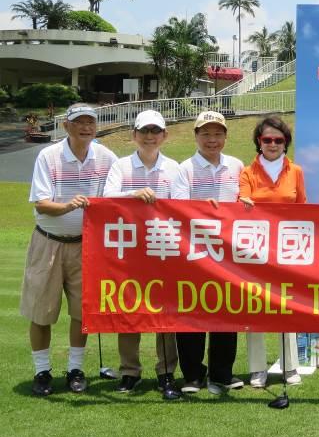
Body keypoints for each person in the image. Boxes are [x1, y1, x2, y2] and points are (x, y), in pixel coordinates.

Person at [21, 103, 117, 396]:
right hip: (48, 241)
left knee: (82, 313)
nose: (86, 127)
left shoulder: (106, 157)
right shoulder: (48, 156)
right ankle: (42, 371)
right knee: (41, 312)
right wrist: (67, 206)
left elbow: (118, 194)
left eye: (90, 122)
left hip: (86, 246)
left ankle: (76, 368)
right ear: (67, 126)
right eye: (79, 122)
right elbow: (41, 203)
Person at [103, 109, 181, 399]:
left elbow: (184, 207)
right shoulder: (120, 167)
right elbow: (107, 199)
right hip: (128, 252)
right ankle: (129, 371)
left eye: (155, 131)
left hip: (164, 249)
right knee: (129, 310)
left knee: (165, 313)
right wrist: (134, 194)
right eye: (144, 131)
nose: (150, 137)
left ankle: (166, 372)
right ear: (134, 135)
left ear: (164, 136)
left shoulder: (174, 168)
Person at [171, 111, 245, 395]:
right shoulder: (185, 168)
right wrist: (202, 205)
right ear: (196, 136)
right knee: (191, 310)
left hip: (228, 253)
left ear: (225, 137)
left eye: (217, 134)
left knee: (226, 310)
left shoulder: (237, 166)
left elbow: (245, 200)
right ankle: (192, 375)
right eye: (206, 134)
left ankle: (222, 373)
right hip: (193, 252)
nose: (212, 140)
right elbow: (177, 206)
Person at [238, 115, 305, 389]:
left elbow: (303, 208)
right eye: (267, 139)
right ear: (259, 141)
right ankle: (257, 369)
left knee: (287, 306)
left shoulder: (296, 171)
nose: (273, 144)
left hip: (287, 249)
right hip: (255, 250)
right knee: (256, 308)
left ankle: (290, 366)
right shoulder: (247, 172)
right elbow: (239, 204)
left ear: (285, 142)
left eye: (279, 140)